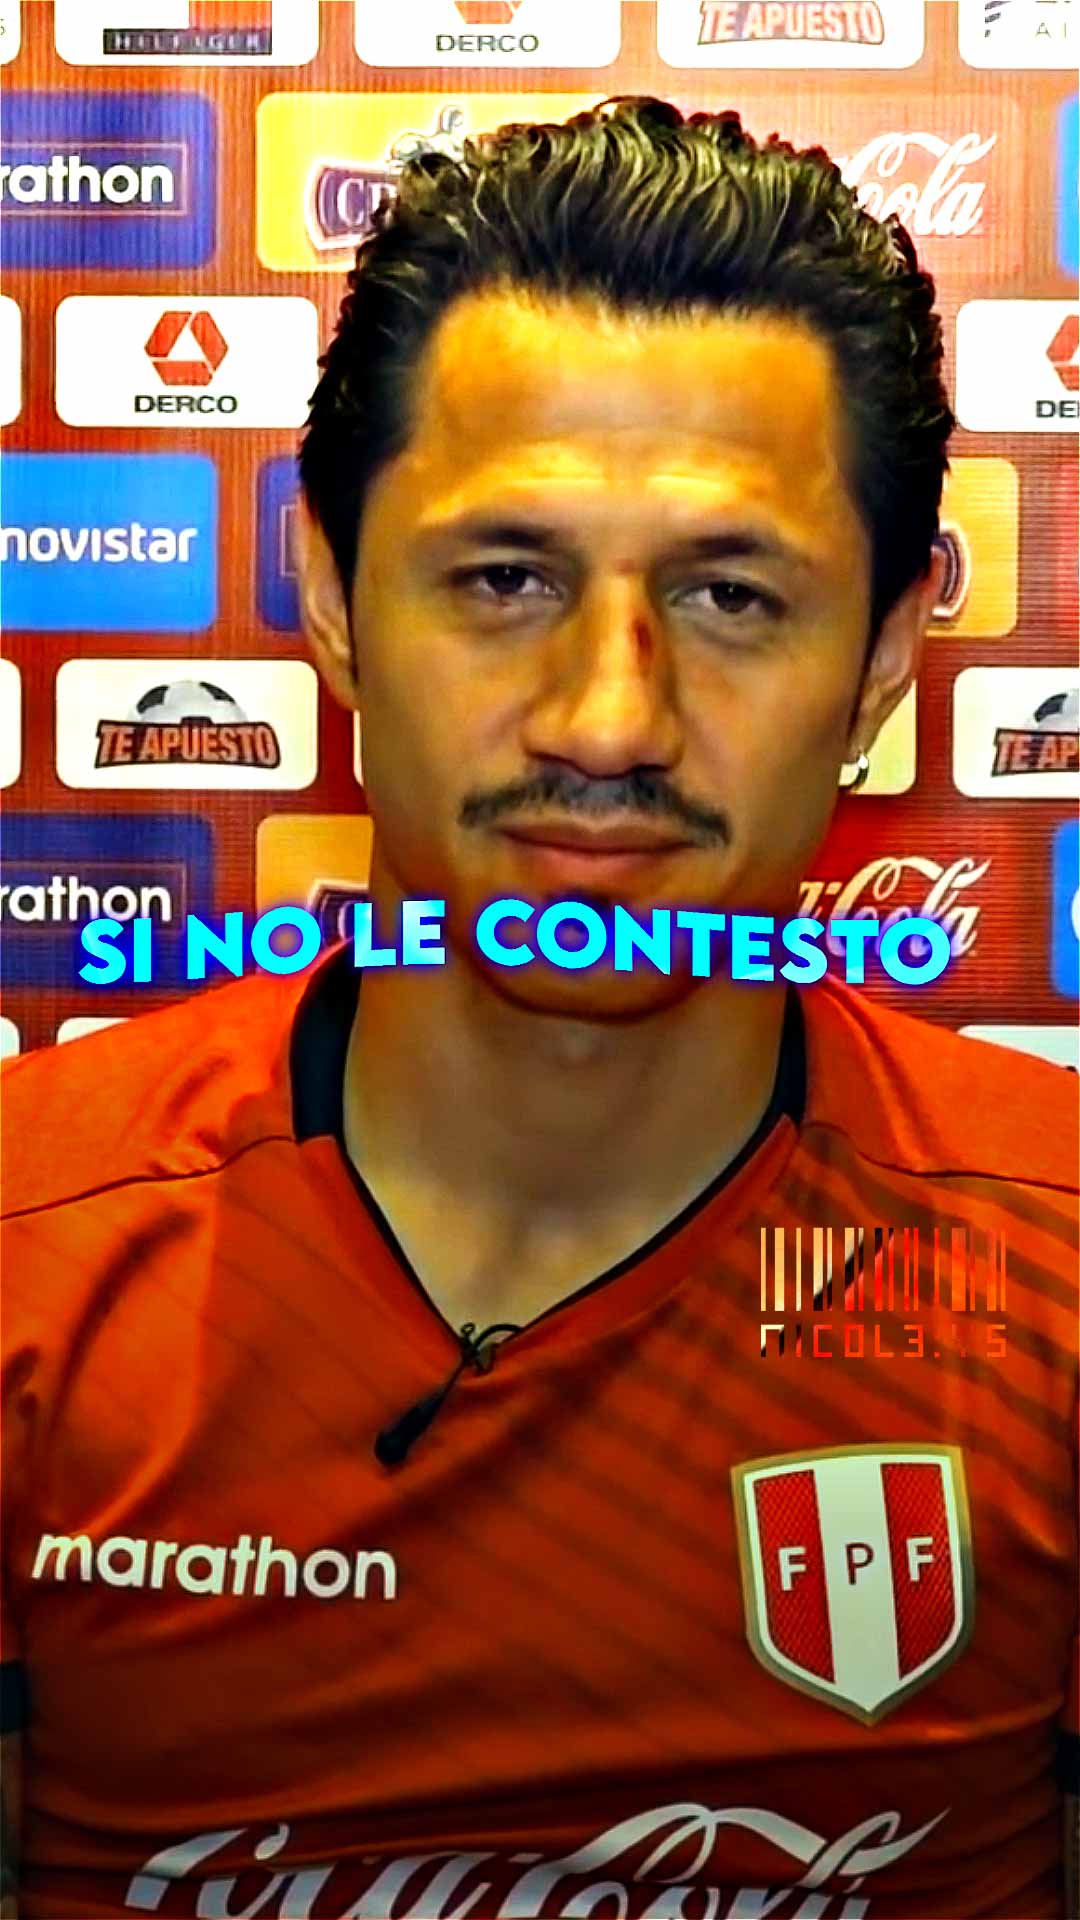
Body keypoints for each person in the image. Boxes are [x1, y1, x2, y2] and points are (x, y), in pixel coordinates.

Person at [1, 97, 1076, 1920]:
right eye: (505, 580)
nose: (607, 719)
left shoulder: (1054, 1254)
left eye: (732, 596)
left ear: (889, 657)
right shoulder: (29, 1240)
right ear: (331, 602)